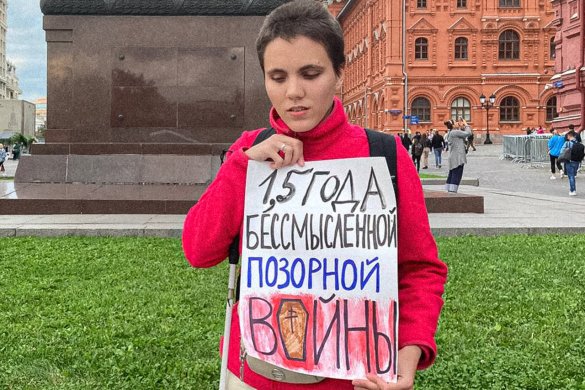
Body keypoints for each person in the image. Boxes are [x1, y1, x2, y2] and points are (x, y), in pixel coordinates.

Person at [181, 2, 447, 389]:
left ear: (339, 72)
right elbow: (198, 251)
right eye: (277, 76)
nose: (293, 92)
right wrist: (242, 167)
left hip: (353, 376)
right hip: (253, 373)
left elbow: (421, 268)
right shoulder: (248, 151)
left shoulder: (383, 155)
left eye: (311, 73)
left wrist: (408, 352)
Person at [444, 118, 472, 193]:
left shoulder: (451, 132)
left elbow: (461, 135)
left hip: (453, 156)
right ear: (453, 125)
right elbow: (468, 133)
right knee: (457, 174)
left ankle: (450, 190)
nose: (457, 123)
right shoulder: (455, 132)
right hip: (457, 157)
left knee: (452, 174)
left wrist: (461, 128)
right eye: (456, 122)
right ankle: (453, 192)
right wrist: (466, 124)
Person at [560, 130, 582, 196]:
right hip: (577, 162)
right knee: (573, 175)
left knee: (571, 176)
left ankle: (573, 190)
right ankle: (573, 189)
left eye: (567, 136)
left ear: (569, 136)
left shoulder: (567, 143)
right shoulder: (578, 143)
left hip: (569, 161)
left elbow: (561, 151)